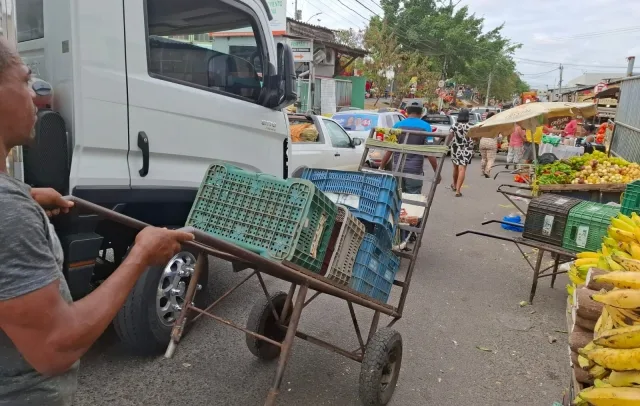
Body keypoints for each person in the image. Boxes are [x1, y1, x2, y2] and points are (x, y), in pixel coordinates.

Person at [0, 38, 195, 405]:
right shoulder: (8, 213)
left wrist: (26, 195)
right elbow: (55, 347)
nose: (35, 96)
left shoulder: (12, 203)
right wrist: (139, 256)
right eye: (24, 81)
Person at [378, 105, 437, 195]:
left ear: (407, 112)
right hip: (415, 171)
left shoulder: (397, 125)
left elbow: (389, 150)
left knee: (396, 197)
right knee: (412, 200)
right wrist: (437, 172)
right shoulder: (426, 127)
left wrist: (381, 167)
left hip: (397, 169)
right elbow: (430, 152)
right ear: (421, 113)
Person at [449, 108, 474, 197]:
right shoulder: (471, 126)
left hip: (455, 148)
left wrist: (446, 145)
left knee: (455, 168)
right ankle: (458, 191)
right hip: (467, 149)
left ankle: (454, 184)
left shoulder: (454, 125)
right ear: (468, 116)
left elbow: (450, 136)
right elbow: (475, 138)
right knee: (462, 169)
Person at [478, 111, 497, 178]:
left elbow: (479, 133)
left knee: (483, 158)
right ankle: (487, 171)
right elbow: (500, 136)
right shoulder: (496, 125)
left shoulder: (483, 124)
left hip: (482, 142)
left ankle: (483, 171)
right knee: (490, 159)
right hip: (492, 143)